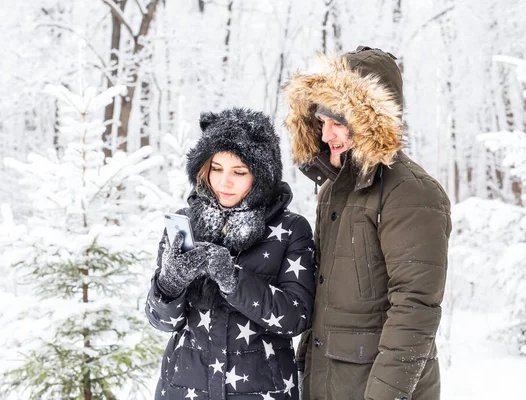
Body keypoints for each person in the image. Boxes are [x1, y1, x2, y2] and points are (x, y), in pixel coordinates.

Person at [284, 46, 452, 400]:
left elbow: (415, 307)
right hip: (330, 381)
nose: (327, 135)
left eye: (338, 123)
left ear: (369, 122)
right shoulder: (333, 190)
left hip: (378, 387)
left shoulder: (412, 193)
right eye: (322, 122)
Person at [145, 108, 317, 399]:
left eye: (239, 172)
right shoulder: (183, 224)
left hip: (261, 390)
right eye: (216, 168)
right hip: (185, 388)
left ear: (262, 176)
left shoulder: (290, 229)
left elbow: (296, 318)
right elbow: (161, 322)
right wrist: (169, 285)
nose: (225, 182)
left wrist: (233, 281)